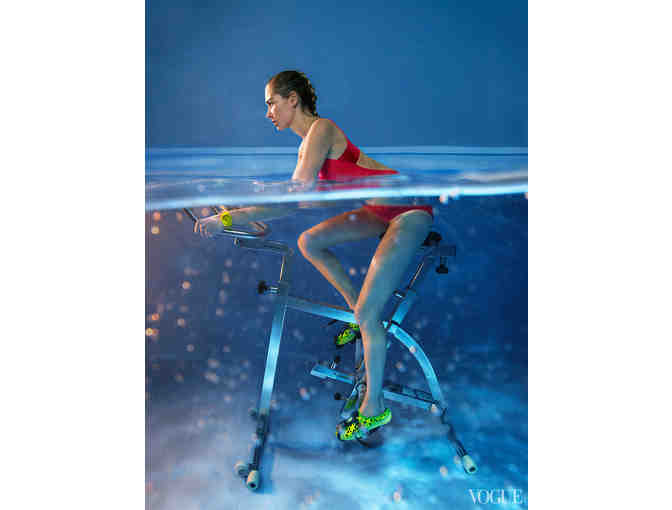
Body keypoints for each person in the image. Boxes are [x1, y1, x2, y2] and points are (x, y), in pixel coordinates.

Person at [196, 70, 434, 441]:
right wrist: (230, 217)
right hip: (378, 211)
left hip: (409, 212)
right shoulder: (307, 147)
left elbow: (295, 194)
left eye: (272, 103)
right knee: (310, 241)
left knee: (370, 314)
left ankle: (374, 409)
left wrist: (229, 215)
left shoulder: (321, 130)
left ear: (293, 99)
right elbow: (297, 203)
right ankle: (358, 313)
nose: (268, 113)